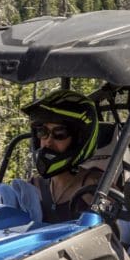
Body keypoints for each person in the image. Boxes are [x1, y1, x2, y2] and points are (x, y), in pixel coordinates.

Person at [22, 89, 102, 223]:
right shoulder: (32, 188)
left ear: (78, 140)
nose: (48, 141)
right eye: (43, 132)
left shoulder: (96, 187)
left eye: (59, 133)